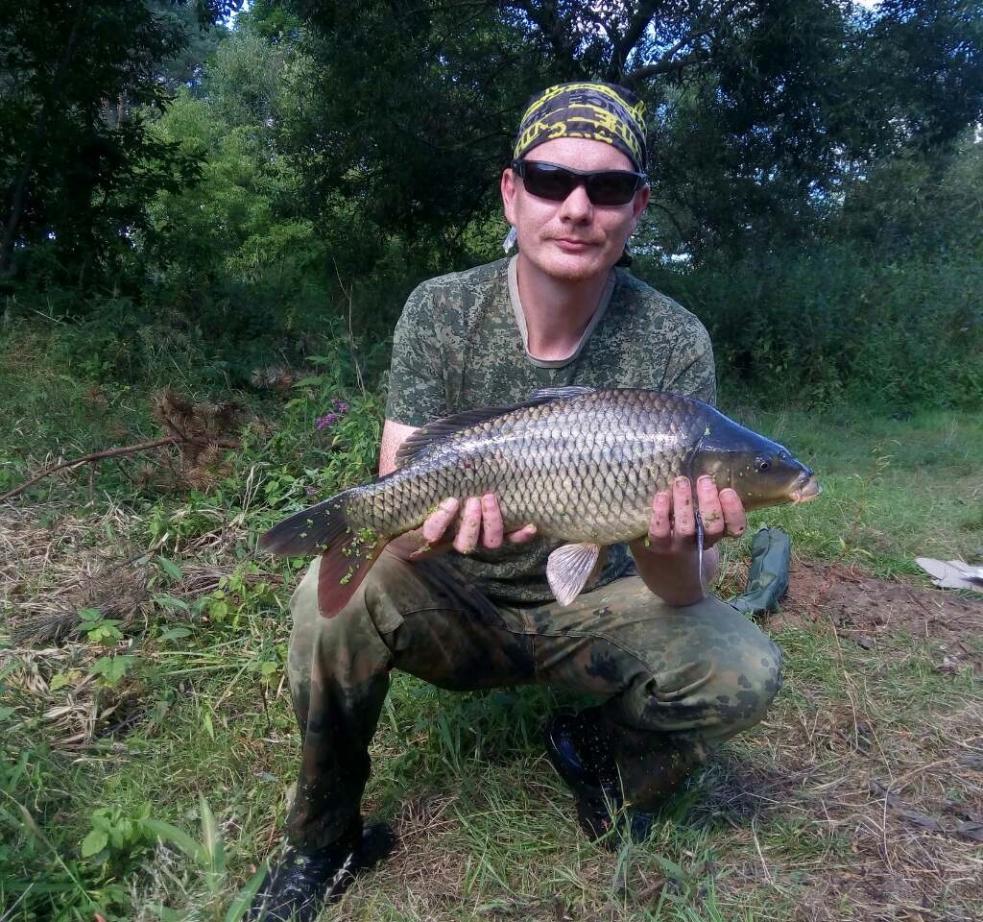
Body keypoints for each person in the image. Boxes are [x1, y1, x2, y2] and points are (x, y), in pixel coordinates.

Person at [248, 82, 782, 922]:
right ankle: (324, 838)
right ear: (511, 192)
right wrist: (433, 531)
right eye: (549, 180)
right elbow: (400, 508)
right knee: (328, 604)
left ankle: (596, 743)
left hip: (593, 606)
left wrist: (666, 540)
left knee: (741, 665)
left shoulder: (673, 340)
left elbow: (686, 591)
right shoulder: (441, 309)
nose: (576, 208)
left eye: (607, 188)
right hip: (458, 603)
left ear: (636, 208)